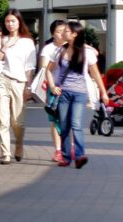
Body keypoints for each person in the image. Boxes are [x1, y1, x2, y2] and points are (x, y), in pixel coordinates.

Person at [45, 21, 109, 169]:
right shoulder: (59, 51)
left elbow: (95, 74)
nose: (63, 33)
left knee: (76, 124)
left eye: (66, 31)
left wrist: (103, 92)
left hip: (80, 94)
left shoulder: (87, 53)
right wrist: (53, 86)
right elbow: (48, 70)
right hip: (64, 93)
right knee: (64, 125)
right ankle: (66, 157)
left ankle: (79, 156)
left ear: (75, 34)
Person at [0, 9, 36, 164]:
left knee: (18, 122)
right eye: (7, 21)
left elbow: (30, 66)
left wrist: (29, 86)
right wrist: (4, 47)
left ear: (19, 22)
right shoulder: (2, 39)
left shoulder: (27, 41)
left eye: (13, 21)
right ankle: (5, 154)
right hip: (2, 80)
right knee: (3, 120)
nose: (10, 24)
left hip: (20, 82)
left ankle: (19, 144)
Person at [33, 20, 69, 163]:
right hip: (53, 87)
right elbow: (43, 69)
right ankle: (58, 150)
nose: (62, 34)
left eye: (64, 31)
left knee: (69, 119)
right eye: (59, 31)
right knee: (55, 120)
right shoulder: (48, 49)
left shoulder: (73, 47)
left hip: (69, 88)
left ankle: (70, 146)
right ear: (53, 33)